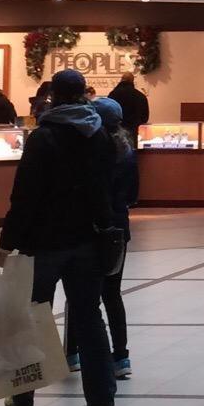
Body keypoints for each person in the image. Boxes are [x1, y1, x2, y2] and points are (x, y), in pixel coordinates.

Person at [0, 66, 117, 406]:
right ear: (84, 94)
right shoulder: (100, 135)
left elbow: (25, 195)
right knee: (89, 317)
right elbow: (106, 188)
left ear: (52, 96)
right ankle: (101, 399)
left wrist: (8, 242)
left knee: (32, 316)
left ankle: (23, 395)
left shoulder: (44, 137)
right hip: (88, 241)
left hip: (45, 242)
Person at [70, 94, 138, 382]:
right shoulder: (128, 152)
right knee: (112, 294)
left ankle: (72, 353)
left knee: (80, 294)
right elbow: (133, 194)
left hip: (88, 228)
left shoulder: (90, 151)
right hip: (118, 230)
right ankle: (121, 356)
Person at [109, 72, 151, 146]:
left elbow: (108, 114)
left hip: (116, 134)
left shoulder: (113, 95)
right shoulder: (141, 96)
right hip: (133, 133)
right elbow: (145, 118)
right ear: (132, 81)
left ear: (121, 80)